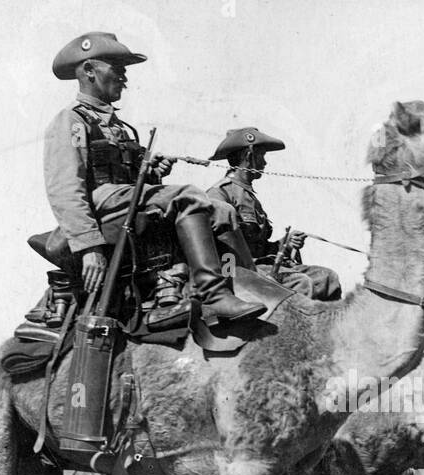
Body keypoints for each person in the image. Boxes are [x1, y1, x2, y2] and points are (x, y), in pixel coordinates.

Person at [43, 32, 262, 325]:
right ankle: (214, 295)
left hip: (122, 199)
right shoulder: (71, 120)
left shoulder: (118, 126)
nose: (124, 77)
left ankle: (243, 281)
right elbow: (65, 188)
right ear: (89, 71)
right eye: (116, 68)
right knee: (188, 195)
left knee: (222, 209)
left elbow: (131, 178)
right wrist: (89, 247)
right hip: (99, 205)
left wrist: (154, 172)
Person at [206, 127, 342, 301]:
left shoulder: (248, 196)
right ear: (249, 157)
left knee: (327, 278)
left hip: (262, 266)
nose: (265, 163)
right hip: (238, 272)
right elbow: (218, 249)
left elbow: (259, 247)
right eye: (261, 156)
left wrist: (285, 243)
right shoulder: (220, 194)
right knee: (301, 282)